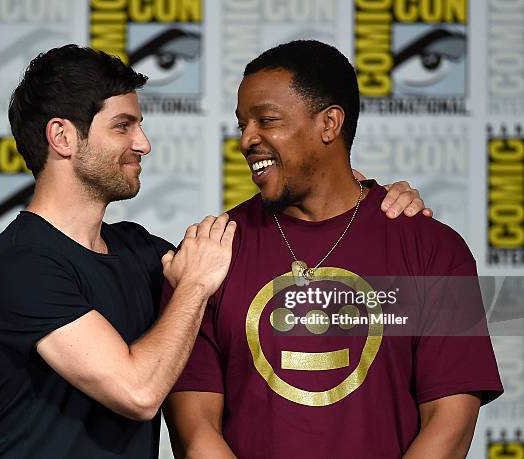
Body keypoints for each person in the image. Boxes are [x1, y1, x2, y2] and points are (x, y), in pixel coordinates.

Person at [0, 44, 429, 458]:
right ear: (63, 137)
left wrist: (358, 198)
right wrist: (193, 286)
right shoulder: (19, 263)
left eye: (140, 126)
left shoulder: (139, 251)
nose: (142, 144)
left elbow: (243, 267)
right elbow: (138, 391)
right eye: (123, 127)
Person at [164, 41, 503, 459]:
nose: (247, 140)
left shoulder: (435, 250)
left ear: (330, 124)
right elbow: (194, 431)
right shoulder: (205, 256)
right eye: (242, 125)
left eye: (266, 120)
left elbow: (450, 424)